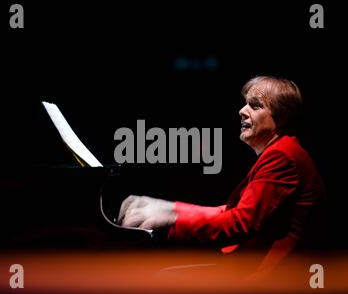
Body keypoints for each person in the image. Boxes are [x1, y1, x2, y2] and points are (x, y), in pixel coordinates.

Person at [118, 76, 326, 273]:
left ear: (282, 117)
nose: (241, 111)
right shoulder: (282, 151)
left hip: (274, 277)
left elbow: (239, 224)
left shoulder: (282, 157)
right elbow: (231, 211)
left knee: (159, 278)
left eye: (255, 106)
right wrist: (169, 208)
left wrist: (171, 220)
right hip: (255, 266)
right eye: (246, 103)